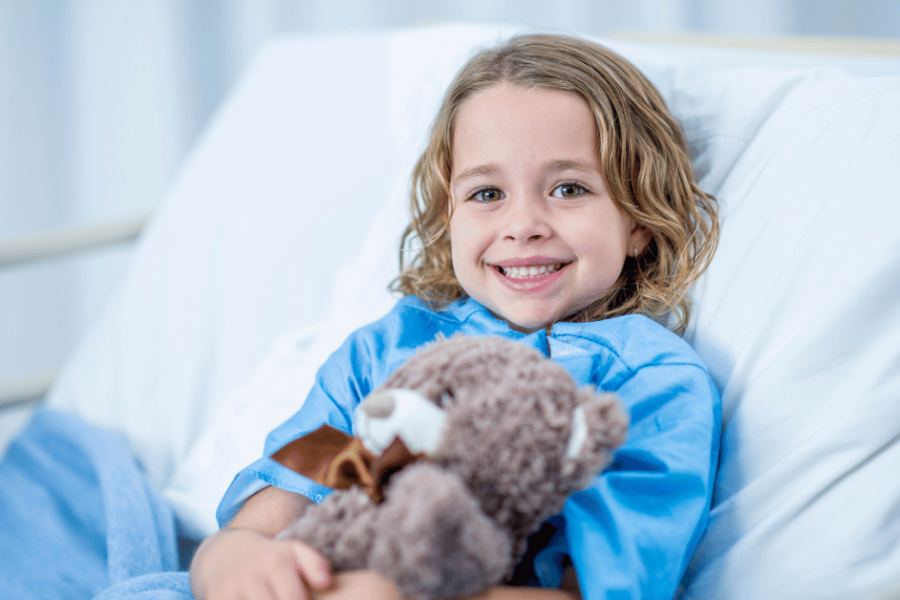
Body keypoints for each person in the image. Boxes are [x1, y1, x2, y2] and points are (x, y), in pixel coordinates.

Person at [190, 32, 721, 600]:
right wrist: (232, 560)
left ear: (639, 216)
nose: (523, 224)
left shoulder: (653, 381)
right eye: (487, 194)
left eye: (568, 188)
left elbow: (600, 589)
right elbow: (271, 512)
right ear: (449, 217)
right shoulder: (387, 348)